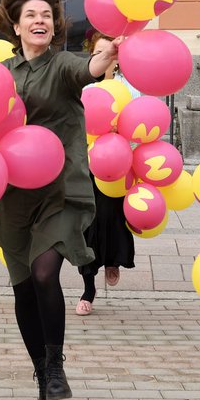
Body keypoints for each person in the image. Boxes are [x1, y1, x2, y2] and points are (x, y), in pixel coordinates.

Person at [0, 0, 120, 400]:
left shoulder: (62, 64)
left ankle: (56, 365)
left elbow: (89, 68)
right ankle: (43, 374)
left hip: (60, 189)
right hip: (11, 196)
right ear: (16, 24)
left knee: (46, 272)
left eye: (46, 15)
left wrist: (107, 53)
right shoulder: (1, 74)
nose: (40, 20)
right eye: (31, 15)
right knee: (24, 286)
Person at [75, 30, 139, 316]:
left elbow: (140, 127)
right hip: (87, 165)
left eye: (108, 54)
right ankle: (88, 288)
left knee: (113, 219)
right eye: (96, 54)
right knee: (86, 225)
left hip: (118, 166)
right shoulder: (83, 88)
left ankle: (113, 260)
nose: (102, 59)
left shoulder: (129, 88)